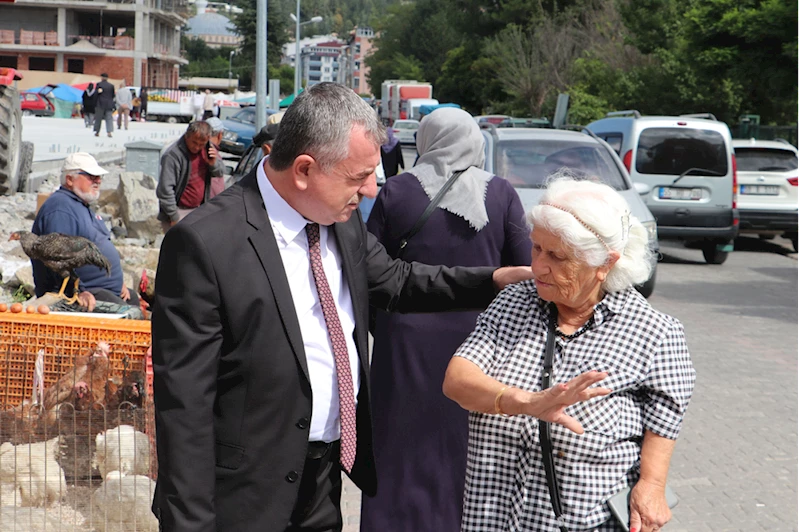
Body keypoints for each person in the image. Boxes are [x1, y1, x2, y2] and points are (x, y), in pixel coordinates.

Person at [149, 82, 604, 532]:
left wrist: (493, 278)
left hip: (322, 481)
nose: (370, 190)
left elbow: (399, 280)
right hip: (244, 495)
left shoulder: (336, 222)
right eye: (357, 176)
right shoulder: (206, 243)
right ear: (305, 170)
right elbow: (184, 407)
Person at [443, 176, 697, 532]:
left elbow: (665, 416)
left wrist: (652, 485)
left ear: (605, 264)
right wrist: (527, 402)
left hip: (585, 519)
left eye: (557, 256)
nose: (538, 267)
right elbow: (457, 380)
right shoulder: (514, 302)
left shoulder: (654, 332)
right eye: (536, 249)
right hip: (494, 516)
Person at [360, 107, 533, 532]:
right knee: (467, 450)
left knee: (399, 450)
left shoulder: (397, 191)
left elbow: (370, 273)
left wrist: (384, 330)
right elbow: (525, 270)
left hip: (403, 348)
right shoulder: (501, 194)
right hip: (480, 350)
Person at [31, 152, 139, 311]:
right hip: (85, 293)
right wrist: (77, 292)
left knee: (138, 303)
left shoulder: (80, 204)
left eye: (99, 177)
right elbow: (56, 257)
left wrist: (117, 281)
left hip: (102, 289)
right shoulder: (61, 208)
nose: (98, 181)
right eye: (91, 176)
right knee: (134, 318)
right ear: (69, 179)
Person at [155, 120, 226, 232]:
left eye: (201, 144)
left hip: (200, 210)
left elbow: (220, 173)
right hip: (179, 211)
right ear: (187, 136)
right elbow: (165, 189)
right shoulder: (173, 155)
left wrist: (213, 164)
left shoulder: (208, 149)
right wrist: (174, 216)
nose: (197, 147)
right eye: (194, 142)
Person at [93, 73, 115, 138]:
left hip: (100, 103)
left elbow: (96, 94)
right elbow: (113, 95)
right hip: (109, 104)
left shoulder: (99, 84)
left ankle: (97, 132)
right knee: (109, 118)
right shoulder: (111, 86)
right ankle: (109, 132)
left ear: (101, 77)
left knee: (98, 118)